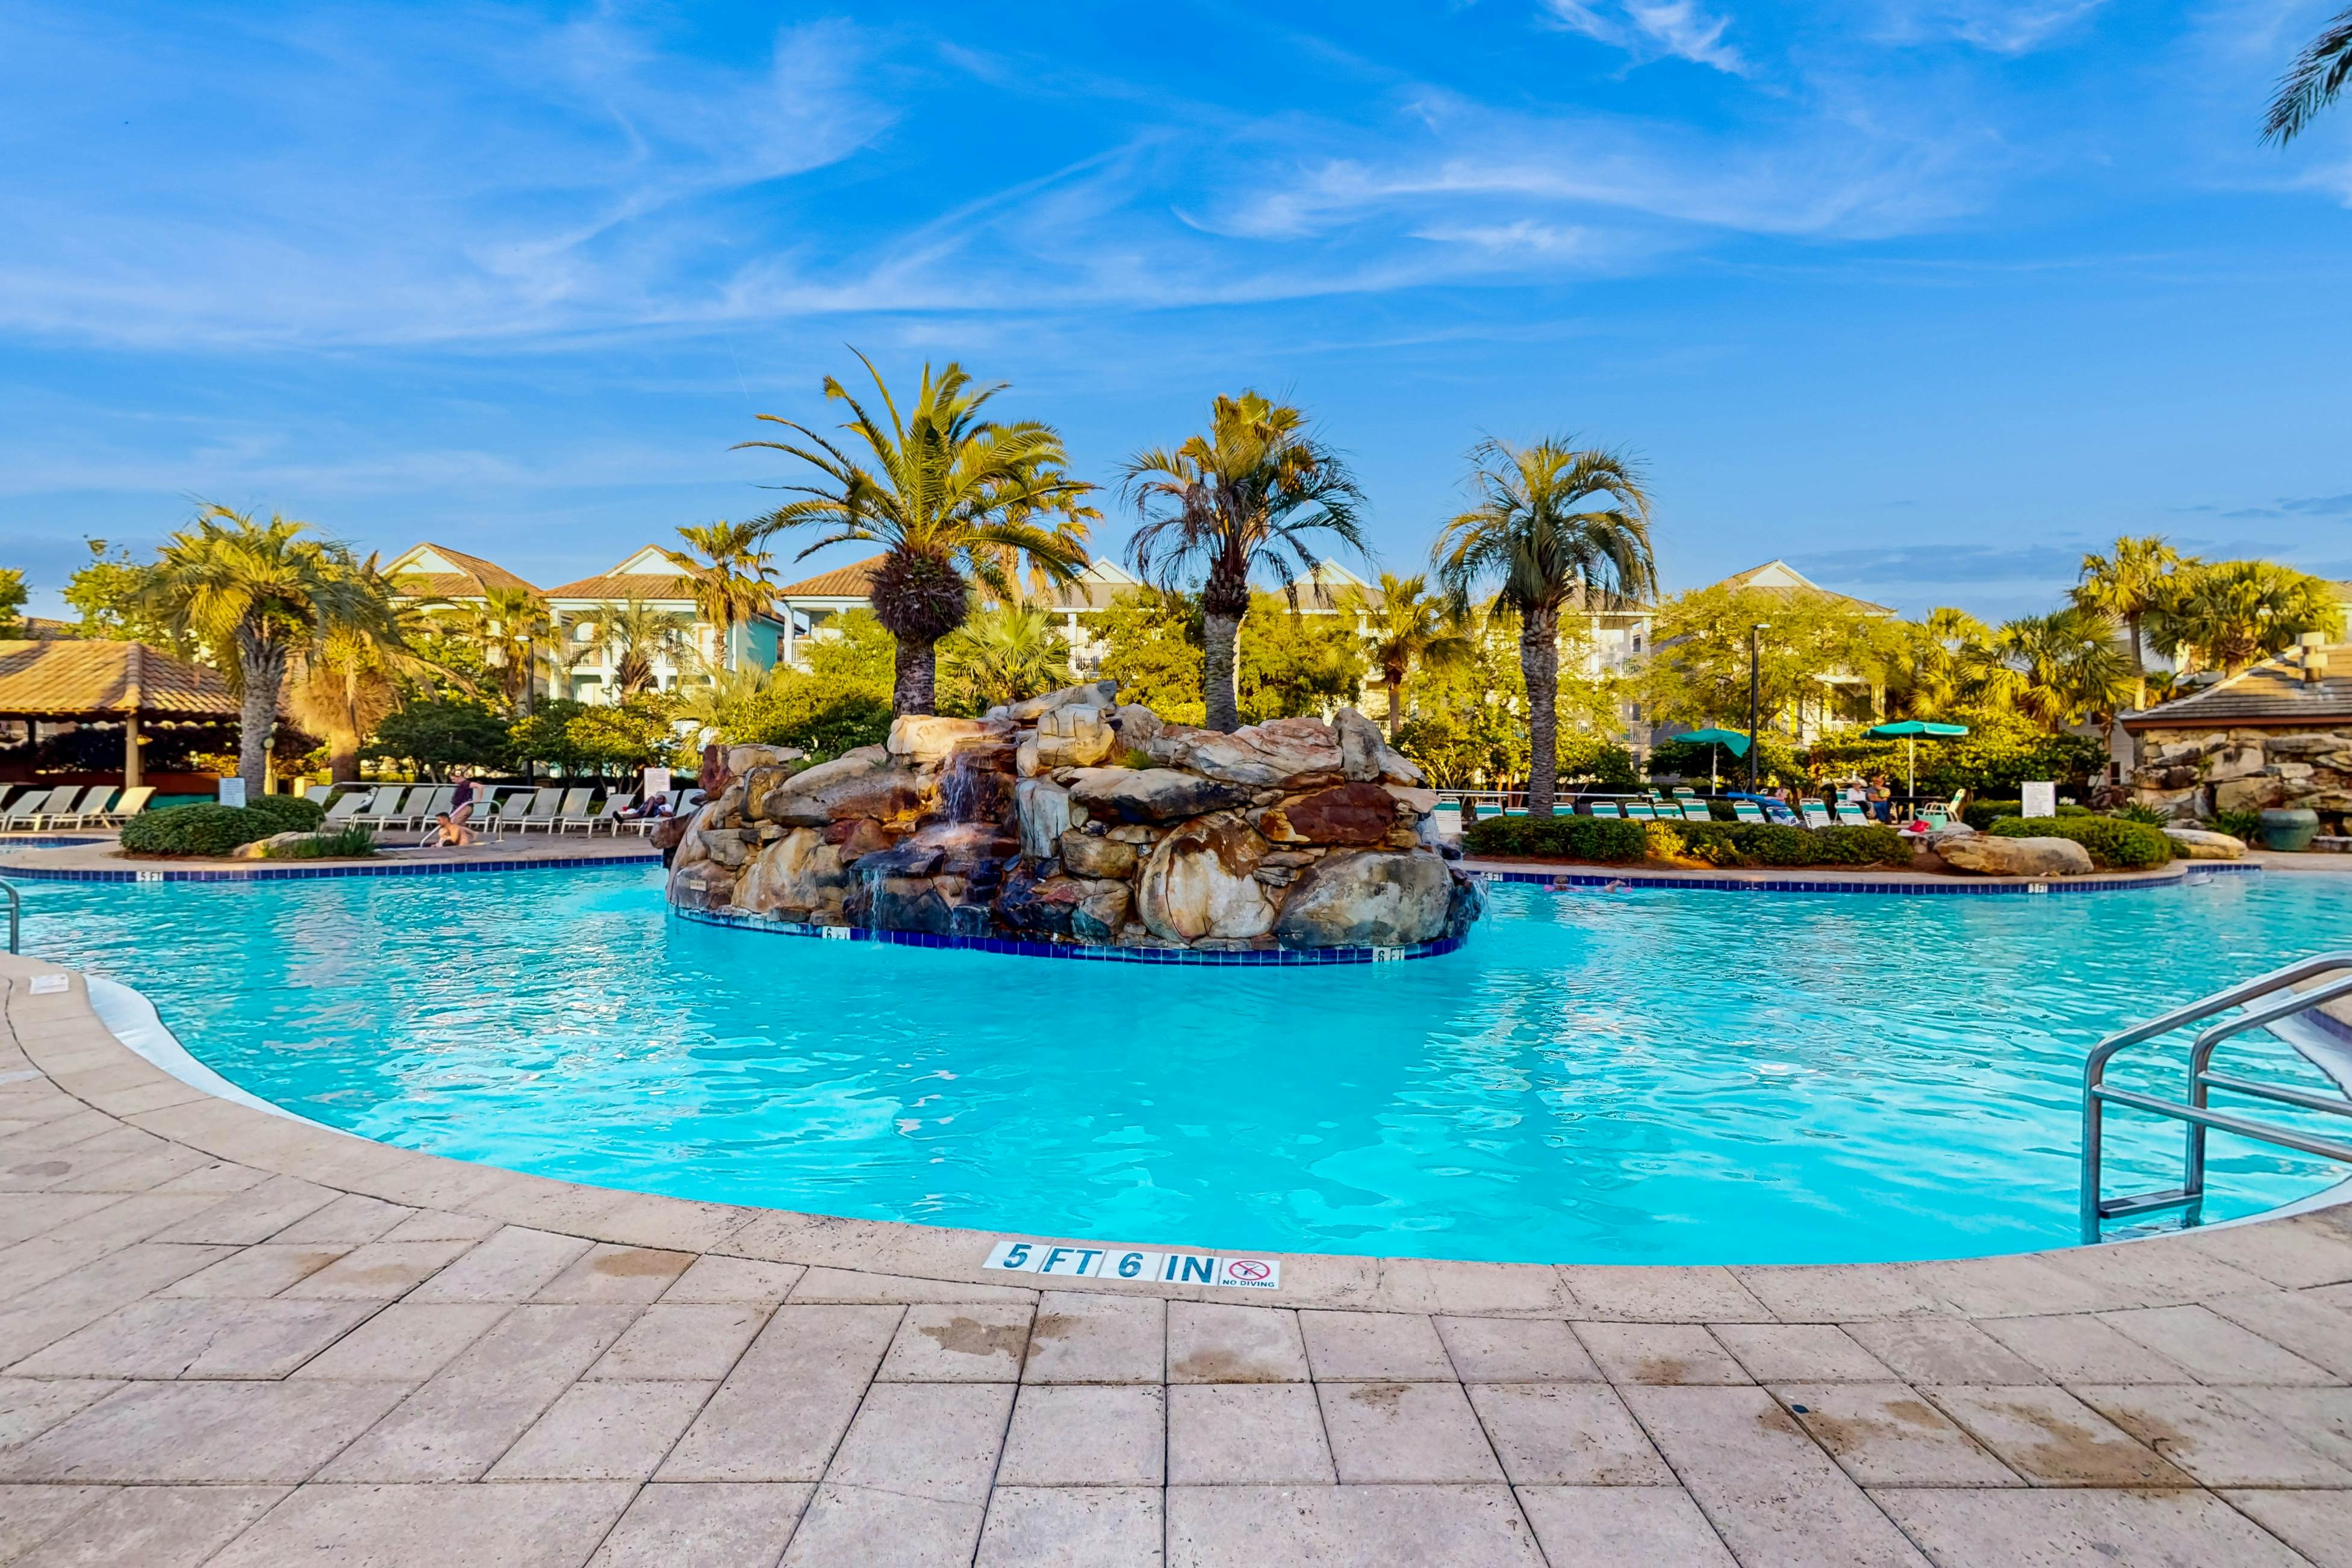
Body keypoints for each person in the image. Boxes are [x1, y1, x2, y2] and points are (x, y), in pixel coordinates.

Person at [435, 770, 479, 847]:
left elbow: (480, 786)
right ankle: (464, 841)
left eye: (454, 779)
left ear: (460, 777)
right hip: (460, 807)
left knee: (455, 825)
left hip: (465, 807)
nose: (452, 781)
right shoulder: (462, 785)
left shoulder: (466, 783)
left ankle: (473, 833)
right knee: (459, 825)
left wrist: (479, 799)